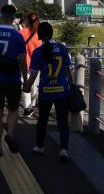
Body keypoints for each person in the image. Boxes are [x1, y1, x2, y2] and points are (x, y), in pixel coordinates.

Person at [23, 22, 73, 163]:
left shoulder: (38, 52)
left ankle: (40, 146)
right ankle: (63, 149)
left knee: (42, 120)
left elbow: (33, 74)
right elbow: (69, 71)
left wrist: (27, 87)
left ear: (39, 35)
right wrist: (72, 85)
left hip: (45, 91)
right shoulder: (62, 49)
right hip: (62, 90)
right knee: (63, 121)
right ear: (52, 34)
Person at [0, 5, 28, 155]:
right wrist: (26, 80)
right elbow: (22, 61)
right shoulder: (18, 36)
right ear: (13, 18)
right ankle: (10, 135)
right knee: (14, 110)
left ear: (0, 16)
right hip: (14, 78)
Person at [19, 12, 41, 117]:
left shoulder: (21, 33)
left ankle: (28, 108)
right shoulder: (39, 34)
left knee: (25, 85)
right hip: (36, 65)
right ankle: (32, 105)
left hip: (23, 64)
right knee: (34, 86)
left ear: (26, 20)